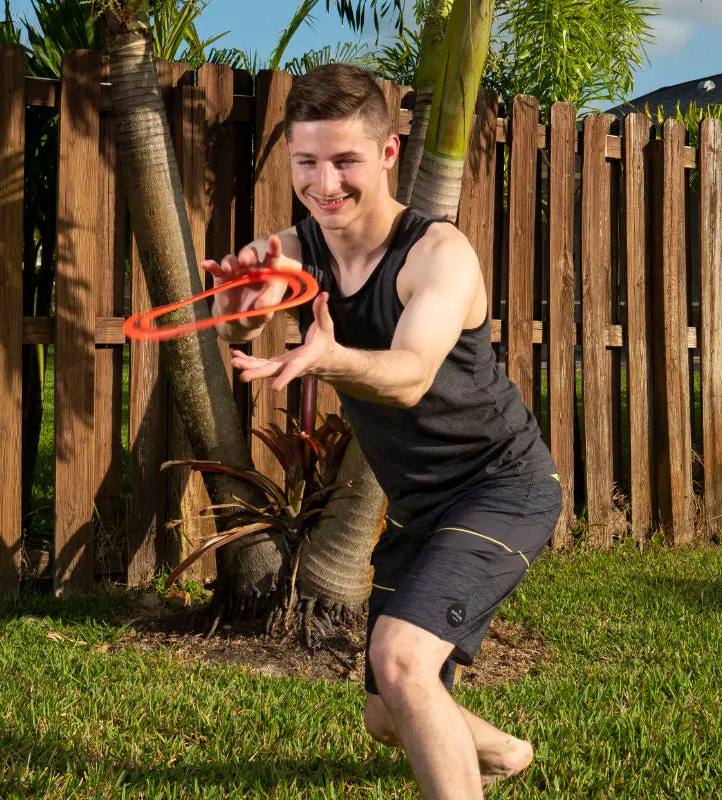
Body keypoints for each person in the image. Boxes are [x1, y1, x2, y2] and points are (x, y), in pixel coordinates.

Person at [201, 63, 562, 800]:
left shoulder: (436, 257)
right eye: (307, 162)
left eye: (345, 161)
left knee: (401, 661)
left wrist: (329, 357)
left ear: (389, 154)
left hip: (500, 487)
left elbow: (409, 374)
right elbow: (256, 302)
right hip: (419, 506)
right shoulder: (302, 245)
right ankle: (503, 751)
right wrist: (243, 302)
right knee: (386, 716)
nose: (324, 183)